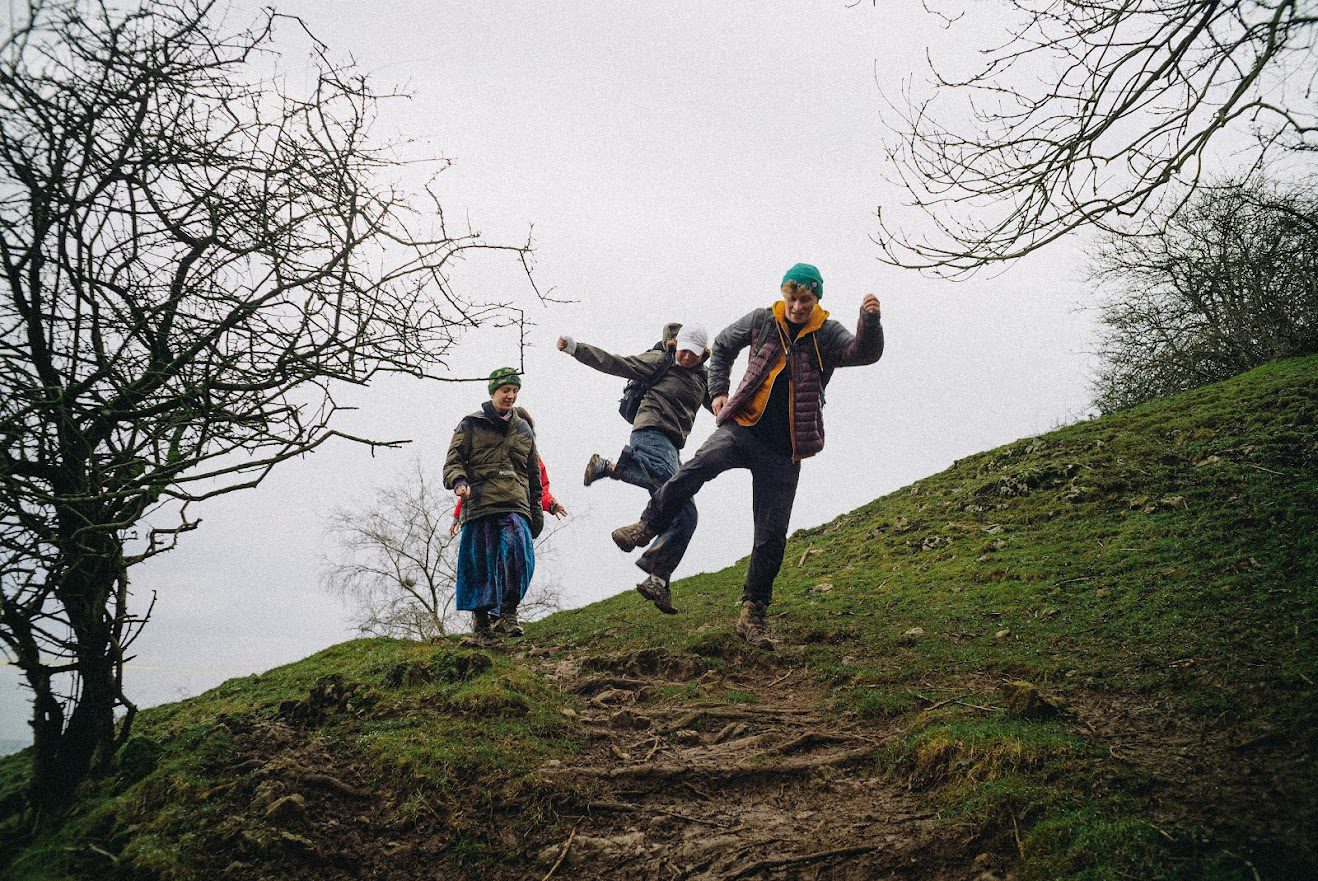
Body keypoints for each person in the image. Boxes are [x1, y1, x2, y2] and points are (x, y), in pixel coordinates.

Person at [611, 263, 883, 649]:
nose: (797, 307)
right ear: (784, 295)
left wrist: (869, 321)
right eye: (792, 298)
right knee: (696, 467)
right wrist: (719, 391)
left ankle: (753, 612)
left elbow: (863, 353)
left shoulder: (826, 332)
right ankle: (646, 526)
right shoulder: (762, 319)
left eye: (805, 300)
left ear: (816, 299)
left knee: (771, 535)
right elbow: (722, 345)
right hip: (742, 427)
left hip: (786, 449)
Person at [558, 323, 711, 613]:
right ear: (676, 345)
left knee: (681, 511)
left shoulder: (703, 377)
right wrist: (577, 349)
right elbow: (616, 363)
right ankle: (617, 476)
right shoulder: (661, 360)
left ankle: (657, 579)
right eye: (682, 350)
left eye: (692, 353)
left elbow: (722, 405)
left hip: (671, 446)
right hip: (650, 433)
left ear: (703, 352)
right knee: (683, 505)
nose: (685, 357)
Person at [444, 367, 544, 644]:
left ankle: (508, 613)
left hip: (515, 502)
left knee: (520, 557)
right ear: (493, 392)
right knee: (480, 564)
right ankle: (482, 623)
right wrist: (459, 481)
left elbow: (533, 475)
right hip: (480, 503)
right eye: (505, 390)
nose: (510, 396)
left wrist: (536, 511)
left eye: (515, 391)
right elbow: (453, 461)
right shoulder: (470, 424)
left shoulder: (523, 429)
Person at [451, 410, 567, 536]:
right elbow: (475, 486)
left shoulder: (532, 460)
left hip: (516, 511)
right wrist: (457, 515)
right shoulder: (491, 453)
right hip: (487, 511)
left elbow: (538, 490)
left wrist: (551, 504)